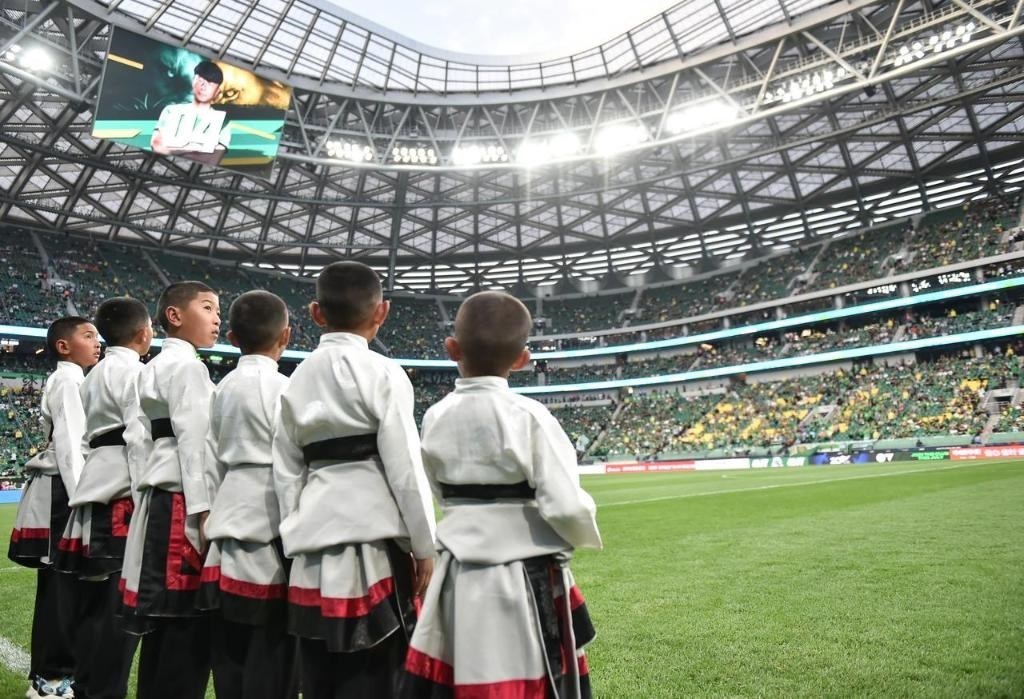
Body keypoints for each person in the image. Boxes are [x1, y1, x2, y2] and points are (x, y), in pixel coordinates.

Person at [400, 291, 602, 698]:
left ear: (452, 349)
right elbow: (565, 504)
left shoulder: (435, 416)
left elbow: (438, 488)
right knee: (531, 672)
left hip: (457, 569)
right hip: (526, 573)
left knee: (462, 667)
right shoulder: (530, 416)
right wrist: (581, 531)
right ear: (522, 359)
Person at [272, 261, 436, 698]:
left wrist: (294, 530)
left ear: (315, 313)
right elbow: (406, 468)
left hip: (312, 548)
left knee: (318, 675)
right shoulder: (384, 372)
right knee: (379, 675)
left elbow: (286, 471)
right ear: (382, 311)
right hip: (374, 547)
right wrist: (424, 545)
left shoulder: (293, 381)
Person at [119, 281, 220, 699]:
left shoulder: (150, 368)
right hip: (184, 502)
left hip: (159, 498)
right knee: (186, 623)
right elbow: (195, 444)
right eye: (208, 307)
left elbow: (137, 440)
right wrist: (205, 512)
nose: (217, 318)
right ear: (174, 315)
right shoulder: (191, 369)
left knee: (162, 622)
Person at [196, 290, 298, 699]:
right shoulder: (287, 388)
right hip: (272, 522)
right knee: (273, 653)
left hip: (226, 519)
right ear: (286, 336)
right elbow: (293, 464)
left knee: (229, 651)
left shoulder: (222, 388)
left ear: (233, 338)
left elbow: (209, 460)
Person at [54, 298, 152, 699]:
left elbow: (84, 441)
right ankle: (104, 691)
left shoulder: (91, 377)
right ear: (144, 333)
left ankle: (86, 686)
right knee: (119, 605)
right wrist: (147, 496)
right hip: (122, 495)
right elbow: (138, 438)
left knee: (93, 603)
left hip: (95, 489)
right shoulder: (136, 373)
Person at [8, 316, 101, 699]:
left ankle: (57, 674)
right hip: (64, 493)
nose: (97, 342)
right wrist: (83, 499)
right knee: (62, 586)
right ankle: (51, 679)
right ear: (63, 346)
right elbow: (70, 446)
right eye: (88, 335)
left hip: (64, 491)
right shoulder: (68, 381)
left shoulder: (76, 380)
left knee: (65, 586)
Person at [150, 60, 231, 166]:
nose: (203, 86)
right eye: (200, 80)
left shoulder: (223, 123)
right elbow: (156, 145)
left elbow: (212, 160)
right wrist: (195, 149)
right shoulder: (171, 110)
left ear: (217, 91)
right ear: (193, 82)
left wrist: (173, 149)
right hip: (159, 165)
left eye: (210, 83)